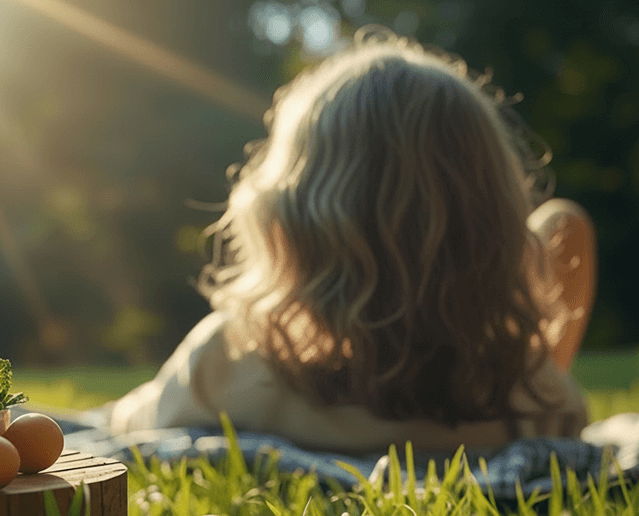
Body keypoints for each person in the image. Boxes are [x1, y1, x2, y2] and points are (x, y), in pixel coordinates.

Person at [108, 29, 596, 455]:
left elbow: (136, 424)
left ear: (285, 219)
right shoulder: (534, 391)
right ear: (498, 228)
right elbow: (572, 427)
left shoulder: (227, 361)